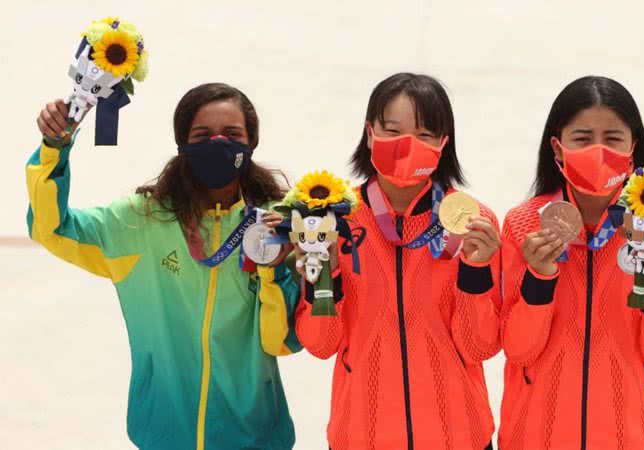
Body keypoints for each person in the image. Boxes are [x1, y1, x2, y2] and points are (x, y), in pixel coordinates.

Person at [26, 82, 302, 450]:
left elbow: (285, 341)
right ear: (183, 144)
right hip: (163, 436)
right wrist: (54, 150)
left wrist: (276, 269)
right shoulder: (140, 223)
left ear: (251, 143)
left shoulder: (279, 224)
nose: (219, 143)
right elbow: (52, 228)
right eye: (203, 135)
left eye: (232, 134)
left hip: (254, 438)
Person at [295, 73, 502, 450]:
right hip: (361, 435)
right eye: (393, 131)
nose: (408, 145)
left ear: (443, 143)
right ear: (370, 133)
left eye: (424, 135)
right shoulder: (332, 222)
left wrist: (475, 270)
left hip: (458, 436)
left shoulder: (473, 223)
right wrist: (324, 273)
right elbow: (321, 343)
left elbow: (478, 346)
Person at [498, 76, 644, 450]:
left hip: (630, 438)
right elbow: (518, 349)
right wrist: (539, 281)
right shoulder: (524, 224)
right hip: (535, 437)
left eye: (613, 139)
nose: (599, 151)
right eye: (583, 139)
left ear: (633, 147)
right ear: (557, 148)